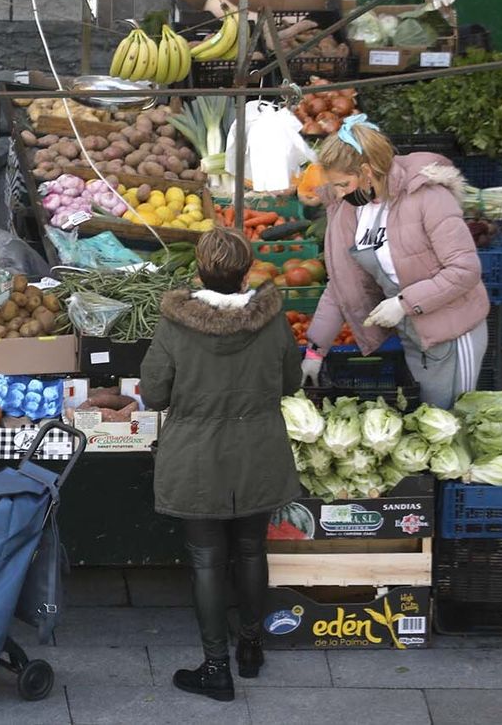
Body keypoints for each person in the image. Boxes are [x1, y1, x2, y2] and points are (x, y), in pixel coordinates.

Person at [139, 228, 301, 702]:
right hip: (259, 452)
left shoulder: (176, 325)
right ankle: (251, 648)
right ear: (246, 271)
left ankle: (216, 668)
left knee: (207, 561)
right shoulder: (272, 322)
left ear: (200, 271)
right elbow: (290, 381)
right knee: (251, 549)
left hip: (196, 458)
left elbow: (154, 393)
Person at [301, 116, 489, 410]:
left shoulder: (428, 197)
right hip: (414, 336)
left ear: (366, 171)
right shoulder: (351, 210)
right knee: (428, 417)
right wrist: (315, 350)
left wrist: (403, 304)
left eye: (342, 184)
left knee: (454, 420)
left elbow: (465, 270)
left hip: (453, 333)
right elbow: (342, 285)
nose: (337, 193)